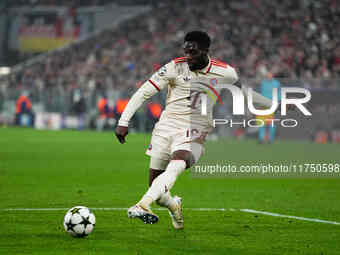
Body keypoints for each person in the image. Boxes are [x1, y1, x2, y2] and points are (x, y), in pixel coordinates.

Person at [115, 31, 272, 229]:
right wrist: (124, 120)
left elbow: (245, 93)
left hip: (196, 128)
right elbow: (144, 91)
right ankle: (174, 206)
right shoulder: (174, 67)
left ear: (206, 51)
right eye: (186, 51)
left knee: (177, 163)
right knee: (159, 191)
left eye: (193, 52)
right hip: (166, 126)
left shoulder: (225, 72)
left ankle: (143, 205)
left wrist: (274, 104)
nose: (188, 56)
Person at [257, 72, 281, 143]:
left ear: (272, 76)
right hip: (263, 105)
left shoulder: (276, 84)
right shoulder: (263, 83)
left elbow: (279, 94)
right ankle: (262, 138)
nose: (268, 77)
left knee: (270, 123)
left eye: (270, 76)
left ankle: (270, 139)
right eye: (267, 76)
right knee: (261, 123)